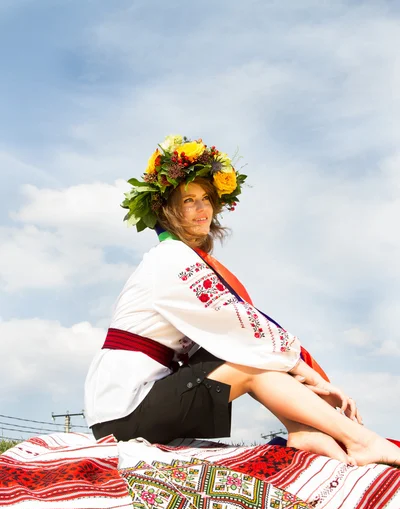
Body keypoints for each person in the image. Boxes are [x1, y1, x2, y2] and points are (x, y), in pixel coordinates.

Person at [84, 134, 400, 467]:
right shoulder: (170, 259)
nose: (202, 208)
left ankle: (306, 431)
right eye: (188, 200)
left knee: (239, 353)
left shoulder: (179, 258)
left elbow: (230, 339)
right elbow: (239, 324)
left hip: (136, 404)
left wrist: (300, 379)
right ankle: (362, 440)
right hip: (125, 411)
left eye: (206, 198)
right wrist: (312, 376)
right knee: (248, 359)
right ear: (167, 209)